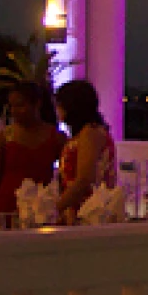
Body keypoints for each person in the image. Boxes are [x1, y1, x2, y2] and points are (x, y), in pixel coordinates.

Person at [0, 82, 63, 216]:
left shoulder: (55, 137)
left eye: (20, 105)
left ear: (37, 104)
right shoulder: (5, 137)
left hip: (40, 208)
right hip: (6, 206)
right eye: (11, 106)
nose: (14, 111)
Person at [53, 80, 118, 221]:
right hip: (76, 208)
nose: (57, 109)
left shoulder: (90, 133)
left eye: (59, 104)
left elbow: (84, 179)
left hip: (89, 211)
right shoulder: (82, 134)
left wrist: (55, 209)